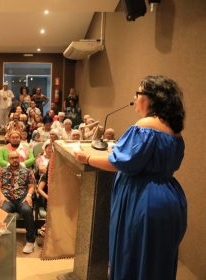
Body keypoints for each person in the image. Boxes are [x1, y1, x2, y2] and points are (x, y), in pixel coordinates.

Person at [74, 76, 187, 280]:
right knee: (157, 258)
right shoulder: (175, 130)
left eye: (138, 92)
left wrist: (88, 157)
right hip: (170, 198)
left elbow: (119, 162)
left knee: (133, 254)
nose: (135, 98)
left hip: (143, 199)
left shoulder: (145, 125)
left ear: (152, 98)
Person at [0, 151, 36, 254]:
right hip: (7, 199)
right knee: (4, 211)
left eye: (17, 158)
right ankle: (4, 240)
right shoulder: (2, 171)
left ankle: (30, 241)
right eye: (12, 158)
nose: (15, 160)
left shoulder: (27, 171)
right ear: (8, 160)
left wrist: (29, 196)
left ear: (20, 159)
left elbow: (31, 186)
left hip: (22, 198)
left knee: (27, 210)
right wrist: (1, 196)